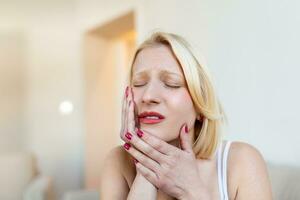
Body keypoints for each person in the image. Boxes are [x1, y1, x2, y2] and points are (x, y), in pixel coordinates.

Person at [99, 32, 272, 200]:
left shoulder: (242, 161)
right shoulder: (117, 161)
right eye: (139, 83)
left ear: (199, 104)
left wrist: (192, 191)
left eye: (171, 84)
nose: (148, 96)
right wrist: (147, 170)